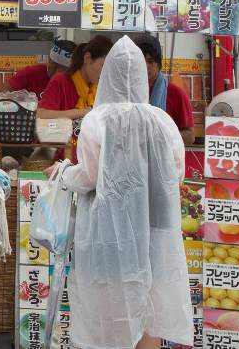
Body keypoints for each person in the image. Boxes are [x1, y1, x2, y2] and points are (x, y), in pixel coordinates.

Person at [45, 36, 191, 349]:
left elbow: (89, 177)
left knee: (112, 316)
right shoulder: (162, 121)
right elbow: (177, 175)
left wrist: (65, 172)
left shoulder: (98, 120)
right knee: (149, 312)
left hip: (110, 234)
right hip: (156, 230)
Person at [37, 35, 113, 162]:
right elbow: (41, 114)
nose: (105, 73)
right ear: (87, 58)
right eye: (102, 66)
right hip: (62, 163)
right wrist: (83, 112)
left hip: (91, 163)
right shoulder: (61, 81)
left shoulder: (102, 89)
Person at [131, 33, 196, 145]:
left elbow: (190, 137)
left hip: (164, 155)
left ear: (159, 63)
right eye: (140, 60)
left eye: (150, 61)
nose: (145, 66)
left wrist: (161, 136)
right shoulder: (127, 91)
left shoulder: (176, 94)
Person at [8, 39, 76, 96]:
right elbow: (4, 93)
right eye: (54, 66)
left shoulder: (75, 82)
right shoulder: (29, 73)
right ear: (49, 60)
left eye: (64, 69)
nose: (57, 72)